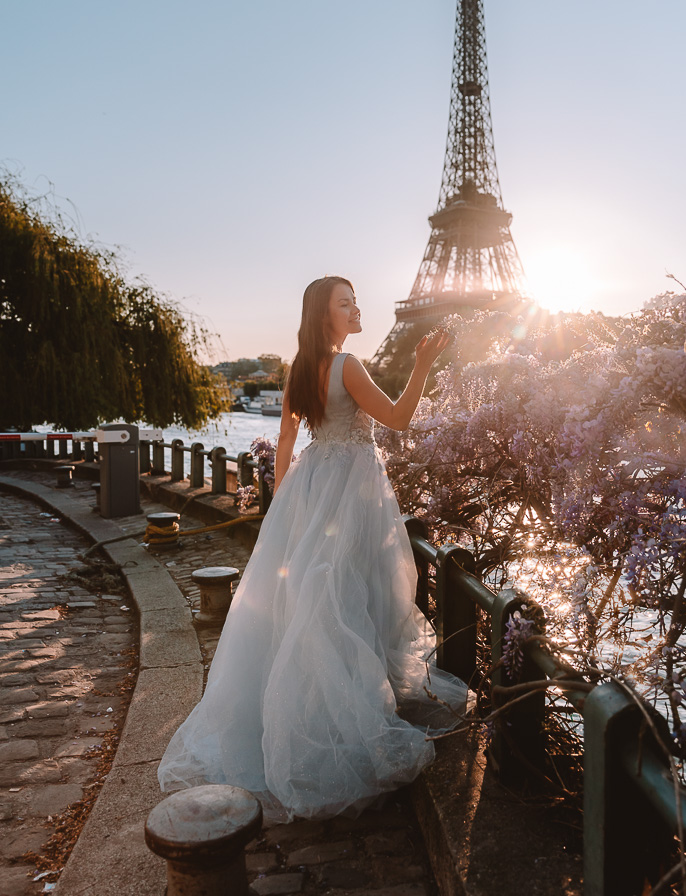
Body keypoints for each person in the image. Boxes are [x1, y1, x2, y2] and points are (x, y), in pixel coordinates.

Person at [157, 276, 470, 822]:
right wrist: (423, 364)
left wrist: (283, 509)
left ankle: (309, 709)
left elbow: (284, 442)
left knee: (316, 600)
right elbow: (397, 419)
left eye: (354, 299)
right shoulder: (347, 365)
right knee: (356, 595)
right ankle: (349, 716)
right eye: (344, 303)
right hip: (351, 490)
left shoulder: (301, 368)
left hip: (313, 486)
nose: (355, 308)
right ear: (326, 317)